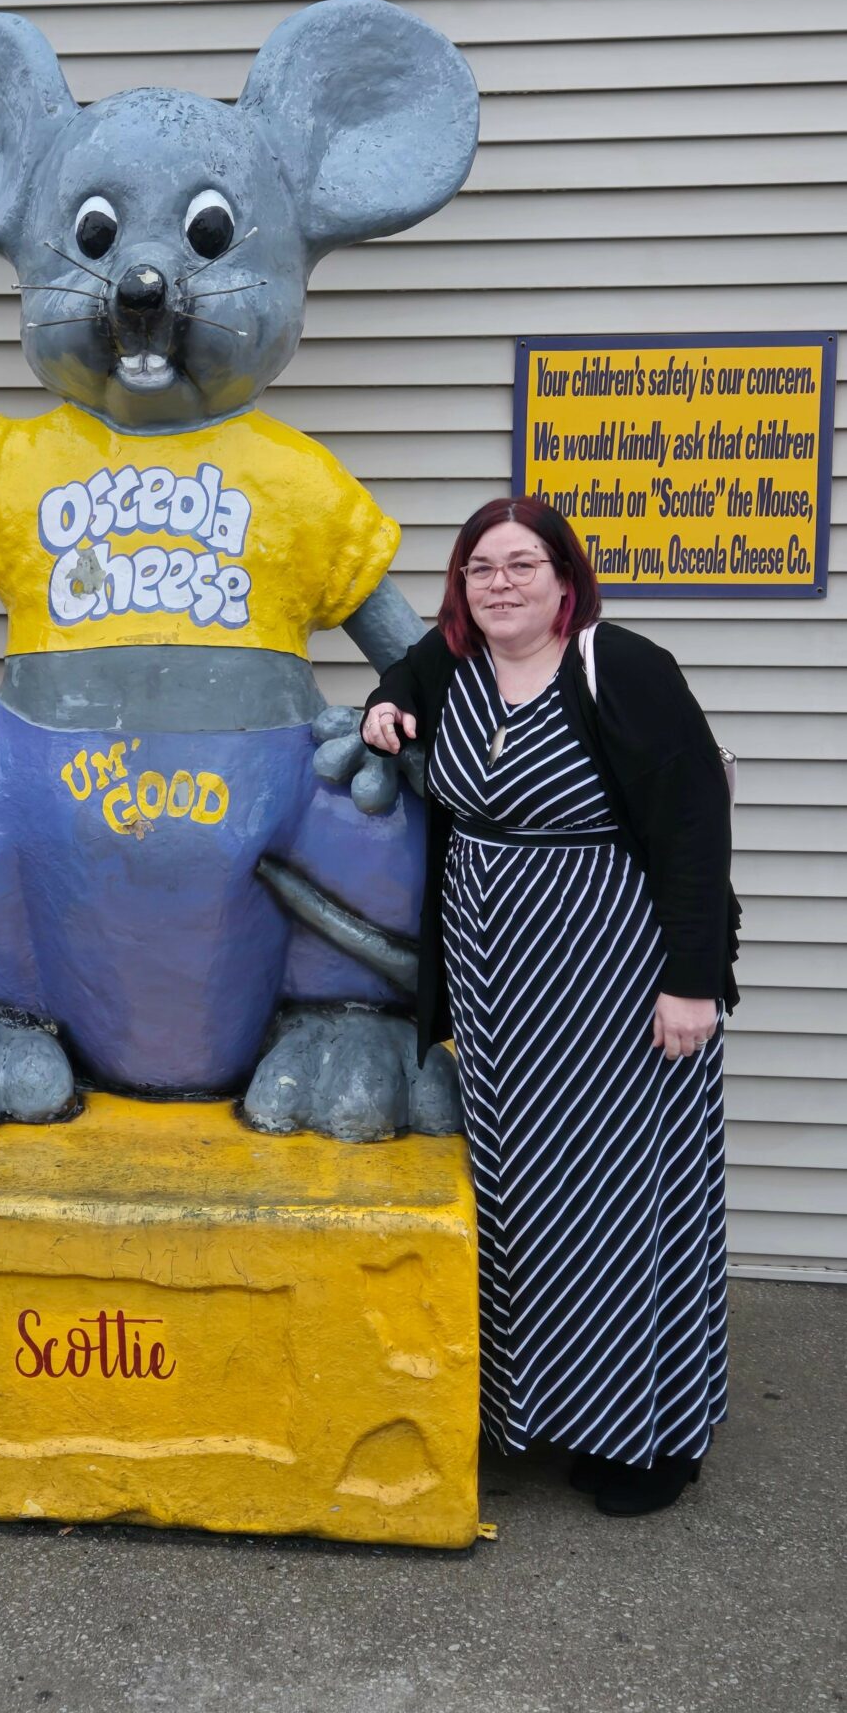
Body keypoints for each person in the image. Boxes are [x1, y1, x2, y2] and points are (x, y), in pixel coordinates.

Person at [362, 495, 738, 1517]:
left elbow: (695, 824)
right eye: (480, 567)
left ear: (564, 579)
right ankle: (537, 1414)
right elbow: (403, 678)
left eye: (522, 564)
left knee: (617, 1198)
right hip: (497, 985)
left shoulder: (621, 666)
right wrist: (383, 704)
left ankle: (647, 1434)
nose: (500, 583)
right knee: (521, 1200)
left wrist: (692, 982)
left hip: (612, 977)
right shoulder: (454, 663)